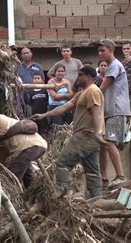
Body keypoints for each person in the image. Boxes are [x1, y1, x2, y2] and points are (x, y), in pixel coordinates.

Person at [32, 66, 106, 198]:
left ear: (89, 77)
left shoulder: (93, 91)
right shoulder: (82, 93)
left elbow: (97, 112)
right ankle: (97, 198)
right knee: (92, 170)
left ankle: (64, 196)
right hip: (90, 136)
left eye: (81, 75)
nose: (78, 78)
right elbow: (64, 107)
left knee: (62, 163)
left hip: (86, 134)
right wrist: (44, 115)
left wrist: (97, 132)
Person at [98, 39, 131, 186]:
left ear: (111, 49)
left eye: (102, 50)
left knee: (110, 142)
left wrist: (91, 95)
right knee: (102, 144)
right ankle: (104, 178)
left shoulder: (114, 66)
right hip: (108, 110)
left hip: (117, 110)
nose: (100, 54)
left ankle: (120, 175)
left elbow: (104, 85)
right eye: (99, 51)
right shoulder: (112, 66)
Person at [0, 114, 47, 187]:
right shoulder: (4, 128)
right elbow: (1, 157)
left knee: (11, 180)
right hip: (40, 145)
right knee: (28, 176)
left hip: (26, 148)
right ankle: (32, 195)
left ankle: (11, 196)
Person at [26, 72, 49, 141]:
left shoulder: (45, 90)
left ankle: (47, 149)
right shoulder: (30, 91)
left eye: (38, 78)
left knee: (45, 133)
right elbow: (29, 103)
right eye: (35, 78)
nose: (36, 80)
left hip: (44, 114)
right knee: (36, 133)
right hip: (34, 115)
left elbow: (48, 102)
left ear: (42, 80)